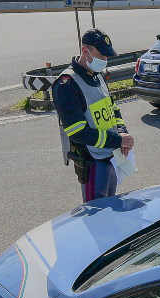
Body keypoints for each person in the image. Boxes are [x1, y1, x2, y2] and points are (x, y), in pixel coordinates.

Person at [51, 28, 134, 202]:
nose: (104, 60)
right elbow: (78, 133)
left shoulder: (97, 75)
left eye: (106, 57)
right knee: (96, 216)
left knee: (111, 210)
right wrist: (118, 140)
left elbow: (113, 109)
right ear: (85, 51)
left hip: (112, 157)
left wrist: (122, 132)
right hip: (93, 162)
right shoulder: (67, 84)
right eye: (101, 56)